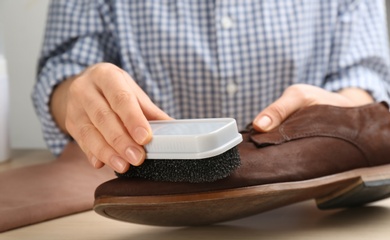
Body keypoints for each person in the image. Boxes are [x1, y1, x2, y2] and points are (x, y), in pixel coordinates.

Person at [33, 0, 390, 174]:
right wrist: (79, 97)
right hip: (137, 209)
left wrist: (337, 113)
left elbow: (366, 75)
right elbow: (64, 69)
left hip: (308, 210)